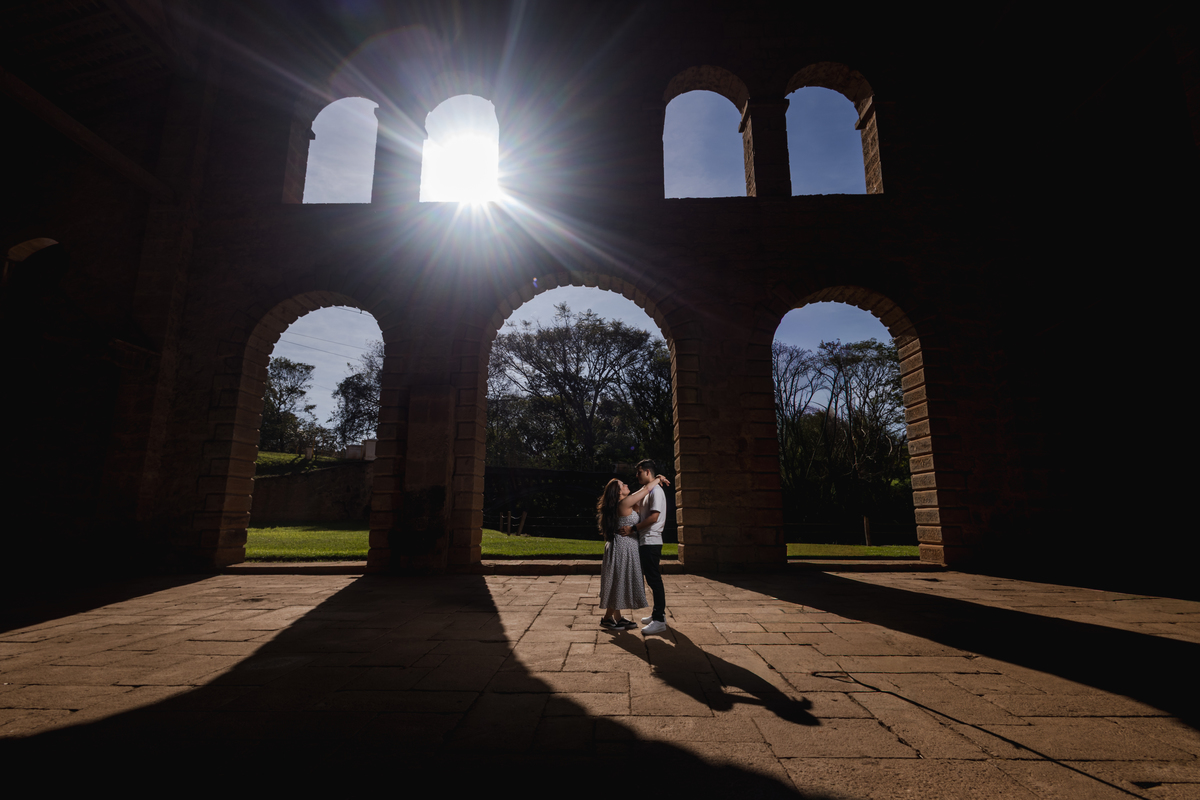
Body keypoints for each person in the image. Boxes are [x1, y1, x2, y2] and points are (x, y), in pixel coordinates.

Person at [596, 472, 671, 630]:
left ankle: (616, 618)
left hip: (624, 547)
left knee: (619, 582)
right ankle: (607, 619)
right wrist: (658, 478)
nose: (627, 485)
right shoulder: (623, 504)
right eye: (623, 485)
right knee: (619, 582)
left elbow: (643, 493)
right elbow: (646, 489)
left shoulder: (625, 503)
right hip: (622, 548)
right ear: (618, 492)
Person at [622, 459, 668, 635]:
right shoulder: (649, 491)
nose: (636, 475)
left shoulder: (657, 492)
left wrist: (632, 529)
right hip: (646, 540)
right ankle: (657, 614)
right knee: (652, 579)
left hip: (651, 540)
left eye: (639, 471)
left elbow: (654, 517)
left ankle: (659, 619)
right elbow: (635, 501)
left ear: (648, 472)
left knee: (654, 580)